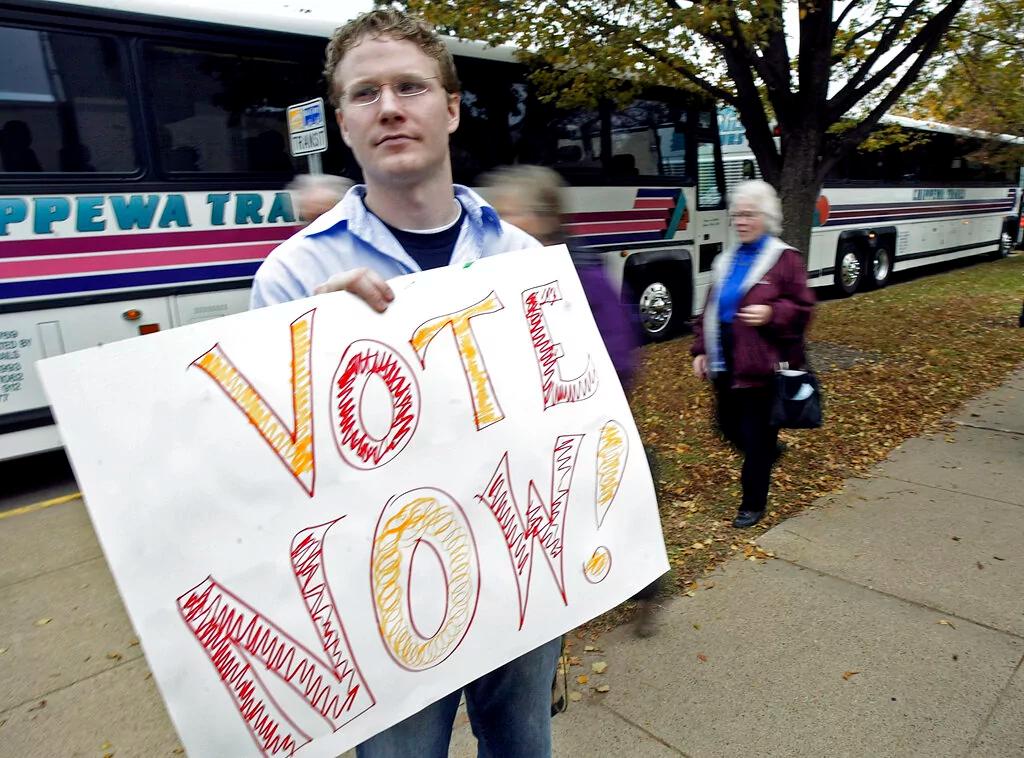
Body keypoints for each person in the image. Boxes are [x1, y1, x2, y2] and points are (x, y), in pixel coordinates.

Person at [249, 10, 558, 758]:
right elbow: (269, 470)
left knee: (523, 749)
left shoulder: (520, 255)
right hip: (380, 609)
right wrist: (312, 355)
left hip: (512, 579)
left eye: (410, 87)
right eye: (365, 94)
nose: (389, 107)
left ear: (450, 109)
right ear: (343, 123)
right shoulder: (291, 277)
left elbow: (555, 418)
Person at [481, 165, 663, 638]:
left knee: (614, 508)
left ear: (541, 217)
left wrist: (593, 405)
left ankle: (647, 588)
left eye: (511, 212)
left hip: (588, 418)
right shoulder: (501, 267)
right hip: (537, 426)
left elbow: (619, 346)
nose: (501, 222)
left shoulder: (577, 268)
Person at [690, 180, 815, 529]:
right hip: (725, 359)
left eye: (749, 215)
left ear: (766, 217)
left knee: (757, 437)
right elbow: (709, 310)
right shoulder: (726, 260)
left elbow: (803, 309)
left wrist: (772, 313)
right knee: (728, 426)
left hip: (764, 364)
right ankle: (768, 454)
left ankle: (752, 503)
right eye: (736, 215)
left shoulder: (784, 258)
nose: (741, 222)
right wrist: (700, 348)